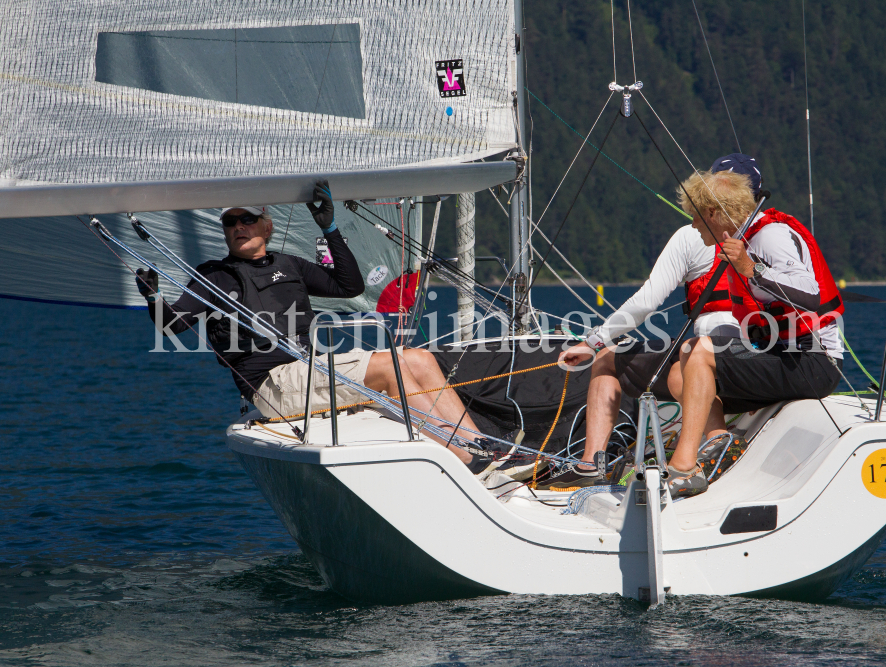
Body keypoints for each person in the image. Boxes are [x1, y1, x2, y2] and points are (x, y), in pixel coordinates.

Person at [135, 181, 494, 472]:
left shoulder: (289, 264)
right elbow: (173, 326)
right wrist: (154, 298)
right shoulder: (214, 276)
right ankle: (463, 461)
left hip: (310, 370)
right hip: (273, 386)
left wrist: (330, 229)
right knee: (391, 369)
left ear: (267, 225)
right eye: (230, 223)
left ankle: (483, 447)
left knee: (417, 358)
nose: (239, 227)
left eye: (246, 219)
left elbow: (348, 286)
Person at [551, 154, 762, 489]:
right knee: (692, 359)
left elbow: (647, 302)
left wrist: (593, 342)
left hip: (711, 358)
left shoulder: (690, 237)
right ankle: (717, 436)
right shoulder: (772, 233)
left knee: (613, 358)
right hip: (762, 364)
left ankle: (593, 462)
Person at [661, 168, 844, 497]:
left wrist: (752, 268)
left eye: (697, 217)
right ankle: (721, 444)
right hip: (780, 353)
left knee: (699, 351)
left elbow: (810, 293)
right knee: (681, 370)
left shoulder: (768, 236)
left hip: (813, 360)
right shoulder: (742, 240)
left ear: (714, 213)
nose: (693, 225)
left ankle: (684, 468)